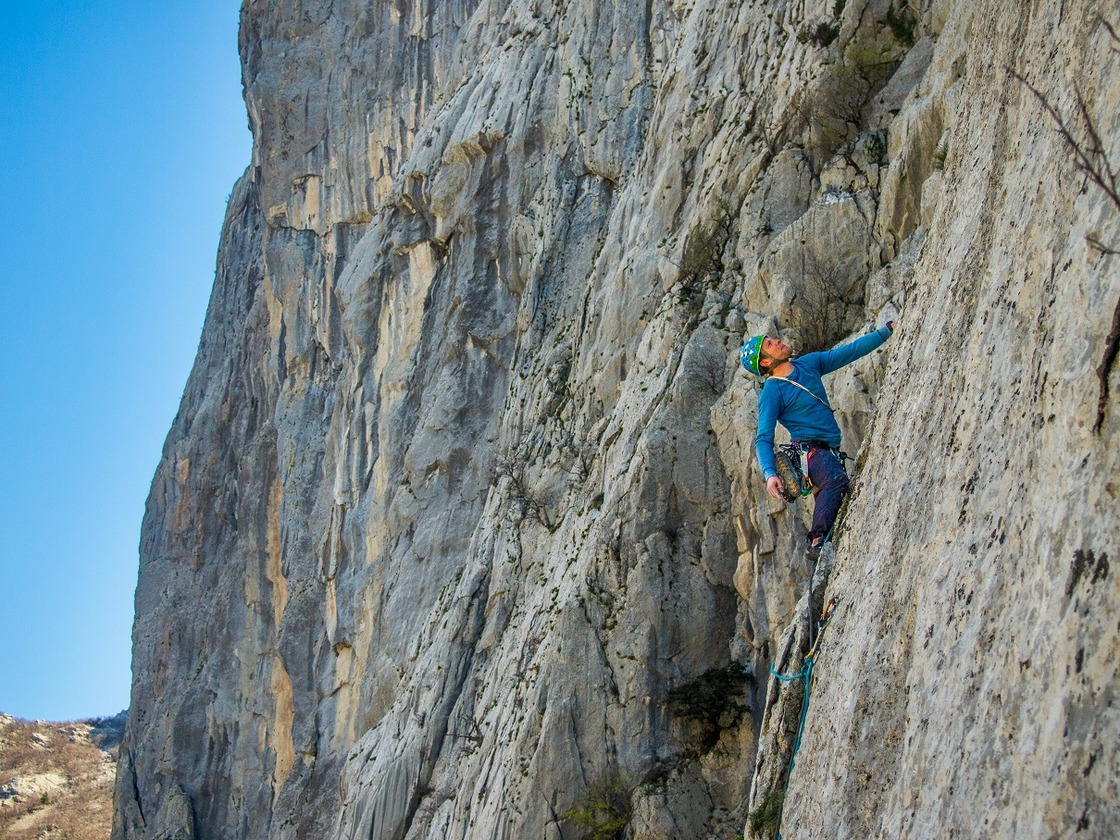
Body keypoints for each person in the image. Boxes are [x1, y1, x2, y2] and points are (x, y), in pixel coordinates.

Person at [740, 322, 895, 558]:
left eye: (772, 339)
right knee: (835, 479)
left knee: (834, 489)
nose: (777, 341)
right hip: (810, 453)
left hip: (826, 452)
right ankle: (817, 540)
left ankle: (824, 542)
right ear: (765, 362)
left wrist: (887, 330)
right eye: (770, 344)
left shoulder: (809, 363)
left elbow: (850, 351)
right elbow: (763, 438)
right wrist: (770, 474)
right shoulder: (772, 392)